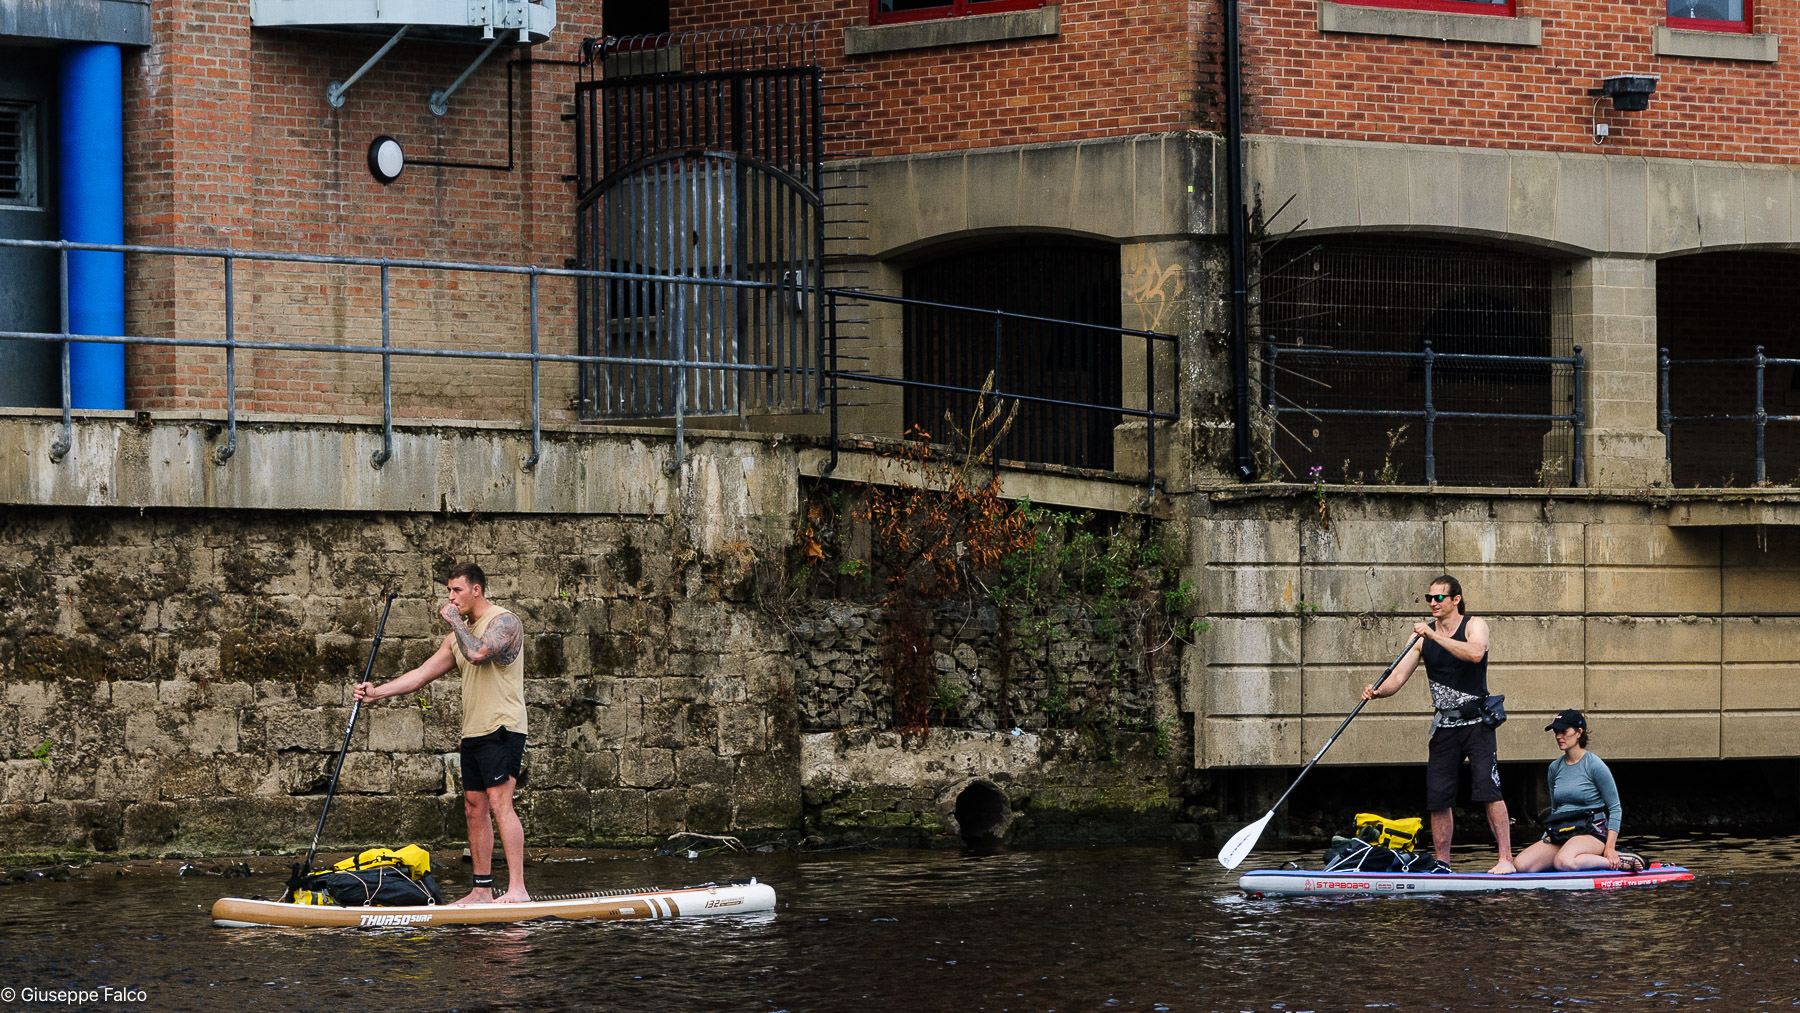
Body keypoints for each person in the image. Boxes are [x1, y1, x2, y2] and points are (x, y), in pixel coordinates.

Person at [356, 563, 530, 904]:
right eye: (449, 591)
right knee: (473, 806)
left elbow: (480, 653)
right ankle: (481, 890)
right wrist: (377, 693)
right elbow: (420, 675)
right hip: (474, 731)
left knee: (499, 803)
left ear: (476, 590)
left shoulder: (504, 621)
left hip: (503, 727)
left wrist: (453, 620)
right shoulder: (456, 638)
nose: (451, 597)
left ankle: (518, 889)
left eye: (457, 590)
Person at [1360, 574, 1515, 874]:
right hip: (1445, 728)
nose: (1432, 603)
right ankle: (1443, 864)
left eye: (1439, 598)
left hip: (1477, 724)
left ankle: (1505, 860)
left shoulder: (1473, 625)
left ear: (1455, 599)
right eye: (1429, 598)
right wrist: (1378, 692)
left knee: (1488, 789)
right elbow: (1399, 676)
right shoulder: (1420, 636)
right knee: (1438, 796)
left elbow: (1475, 653)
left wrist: (1433, 637)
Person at [1513, 709, 1644, 873]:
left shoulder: (1595, 765)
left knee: (1563, 862)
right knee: (1522, 865)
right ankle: (1573, 858)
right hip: (1563, 832)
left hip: (1592, 833)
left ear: (1579, 732)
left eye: (1564, 731)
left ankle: (1617, 860)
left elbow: (1615, 808)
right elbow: (1556, 810)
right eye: (1556, 732)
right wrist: (1548, 834)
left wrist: (1609, 847)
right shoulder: (1554, 768)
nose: (1558, 736)